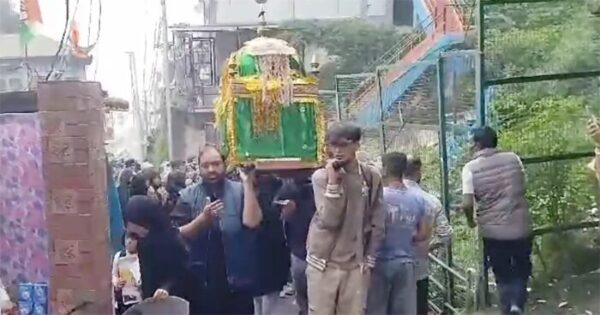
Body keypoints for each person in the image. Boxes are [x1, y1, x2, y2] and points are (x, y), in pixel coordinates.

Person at [306, 122, 385, 315]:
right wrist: (334, 182)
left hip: (355, 265)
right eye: (333, 145)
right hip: (324, 264)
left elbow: (378, 219)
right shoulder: (321, 176)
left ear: (357, 145)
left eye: (343, 145)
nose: (337, 151)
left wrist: (370, 257)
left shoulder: (370, 176)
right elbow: (329, 220)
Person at [175, 145, 262, 315]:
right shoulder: (187, 196)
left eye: (216, 164)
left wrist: (247, 183)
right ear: (198, 168)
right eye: (205, 166)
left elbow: (253, 222)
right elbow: (178, 235)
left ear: (224, 164)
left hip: (238, 283)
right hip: (201, 286)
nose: (211, 170)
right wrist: (203, 220)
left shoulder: (239, 190)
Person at [461, 126, 532, 315]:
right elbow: (522, 184)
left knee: (502, 271)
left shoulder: (470, 168)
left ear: (476, 144)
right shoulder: (513, 158)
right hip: (521, 225)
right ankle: (517, 304)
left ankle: (507, 307)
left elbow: (467, 203)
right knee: (521, 266)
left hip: (493, 231)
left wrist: (470, 221)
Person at [366, 152, 432, 315]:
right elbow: (424, 233)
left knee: (376, 309)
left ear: (385, 169)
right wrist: (405, 235)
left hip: (378, 262)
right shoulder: (419, 199)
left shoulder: (378, 196)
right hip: (405, 263)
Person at [124, 196, 201, 314]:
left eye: (137, 227)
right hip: (148, 301)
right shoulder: (140, 241)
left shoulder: (170, 241)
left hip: (173, 302)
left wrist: (166, 288)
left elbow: (181, 272)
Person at [404, 156, 453, 315]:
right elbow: (446, 235)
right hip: (419, 267)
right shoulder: (430, 200)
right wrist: (426, 247)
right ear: (419, 172)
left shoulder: (384, 198)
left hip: (387, 269)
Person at [276, 178, 315, 315]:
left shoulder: (319, 182)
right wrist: (286, 210)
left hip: (318, 251)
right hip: (299, 251)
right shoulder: (288, 186)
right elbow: (280, 213)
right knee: (303, 296)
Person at [253, 175, 290, 315]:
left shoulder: (278, 185)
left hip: (271, 244)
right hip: (264, 244)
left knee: (266, 292)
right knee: (262, 293)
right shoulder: (278, 184)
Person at [112, 233, 142, 315]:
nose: (129, 241)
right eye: (127, 238)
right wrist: (116, 282)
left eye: (133, 239)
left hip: (140, 300)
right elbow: (114, 274)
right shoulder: (119, 256)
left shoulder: (143, 256)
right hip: (123, 301)